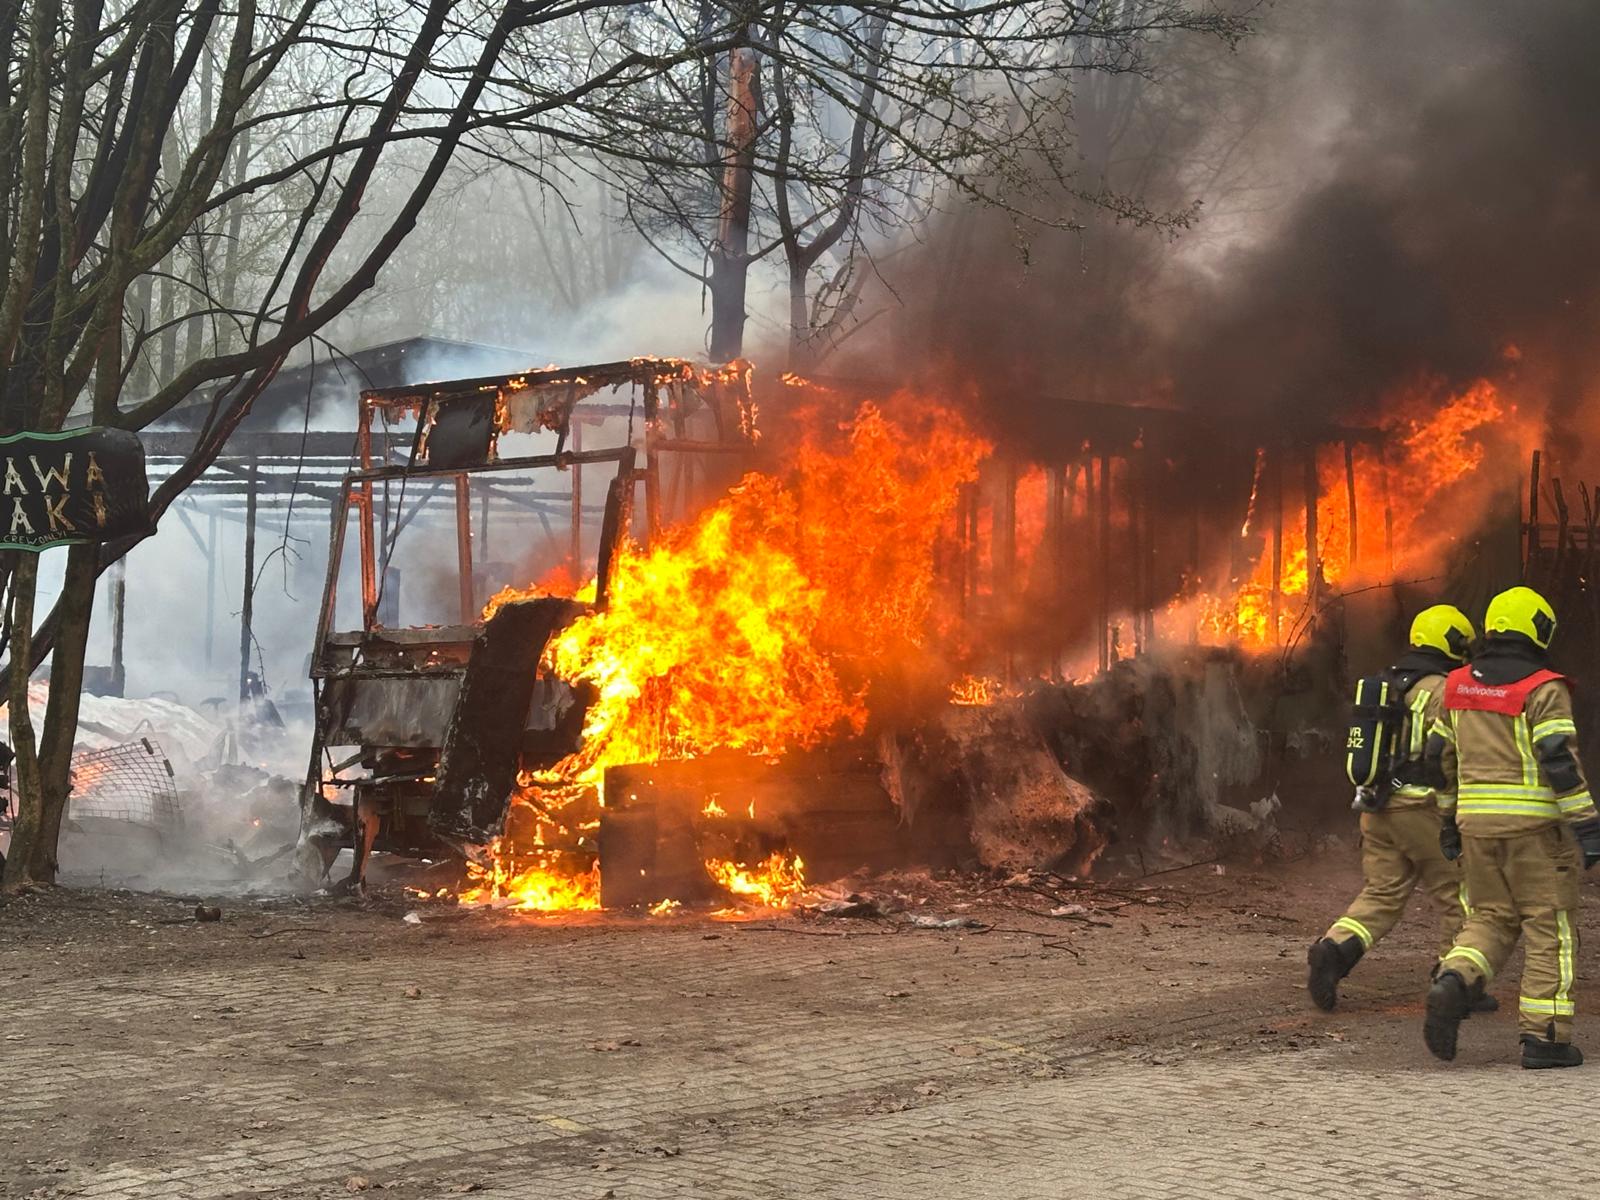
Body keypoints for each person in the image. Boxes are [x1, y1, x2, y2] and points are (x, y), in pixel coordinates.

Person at [1424, 586, 1600, 1069]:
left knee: (1490, 919)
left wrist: (1448, 822)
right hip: (1536, 833)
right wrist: (1588, 827)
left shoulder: (1456, 686)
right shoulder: (1544, 688)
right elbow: (1560, 763)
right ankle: (1546, 1038)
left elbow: (1440, 762)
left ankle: (1454, 980)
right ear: (1538, 629)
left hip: (1477, 829)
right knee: (1550, 929)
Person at [1307, 604, 1480, 1011]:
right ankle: (1455, 982)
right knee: (1460, 893)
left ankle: (1333, 950)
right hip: (1422, 809)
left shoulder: (1387, 683)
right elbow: (1452, 755)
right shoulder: (1445, 690)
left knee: (1383, 893)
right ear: (1452, 642)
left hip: (1376, 808)